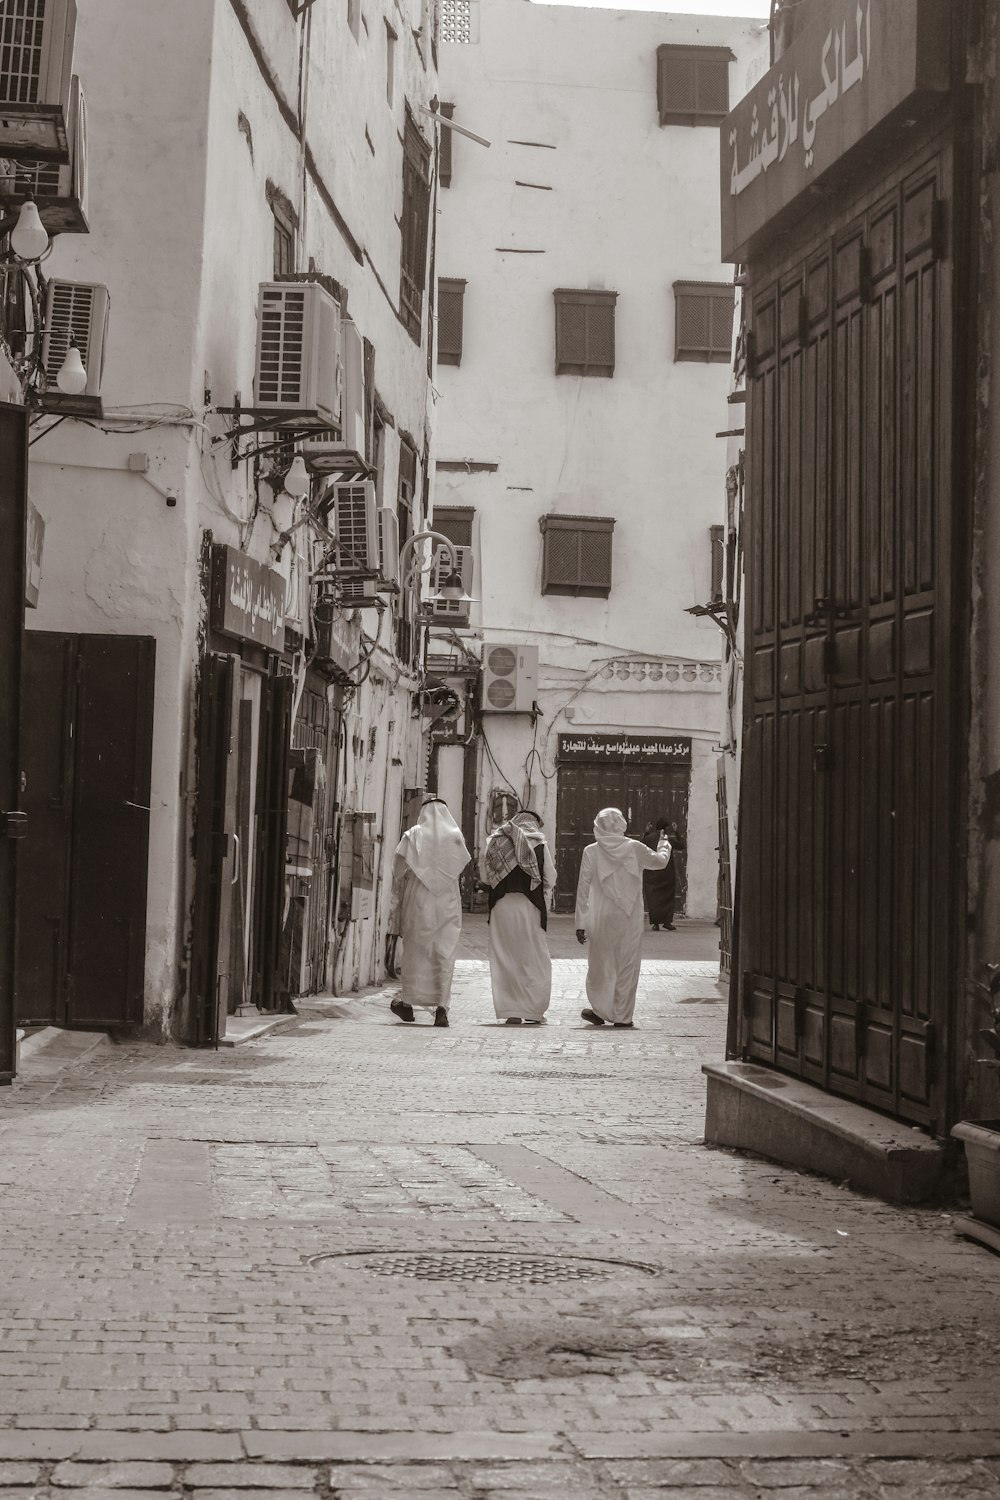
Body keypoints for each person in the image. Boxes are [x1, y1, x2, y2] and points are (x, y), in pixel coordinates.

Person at [574, 807, 670, 1028]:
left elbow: (583, 888)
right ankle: (623, 1016)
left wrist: (581, 923)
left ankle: (600, 1009)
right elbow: (660, 862)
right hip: (629, 916)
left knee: (600, 964)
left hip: (600, 916)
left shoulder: (591, 851)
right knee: (627, 963)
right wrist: (665, 844)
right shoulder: (635, 848)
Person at [388, 797, 470, 1027]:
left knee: (416, 950)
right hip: (448, 901)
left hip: (419, 899)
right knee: (444, 953)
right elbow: (462, 862)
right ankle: (441, 1007)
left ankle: (407, 1003)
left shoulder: (413, 834)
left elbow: (397, 870)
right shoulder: (455, 836)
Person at [480, 809, 557, 1025]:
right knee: (534, 958)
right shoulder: (538, 844)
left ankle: (511, 1009)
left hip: (501, 907)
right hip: (530, 907)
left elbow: (486, 876)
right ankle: (533, 1010)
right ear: (534, 824)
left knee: (505, 957)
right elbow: (550, 877)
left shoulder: (495, 842)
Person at [643, 816, 675, 931]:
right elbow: (681, 845)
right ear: (665, 828)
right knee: (667, 898)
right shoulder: (667, 839)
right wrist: (677, 832)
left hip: (651, 873)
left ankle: (655, 923)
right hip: (667, 873)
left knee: (654, 898)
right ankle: (667, 922)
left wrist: (646, 833)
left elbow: (642, 846)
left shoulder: (648, 838)